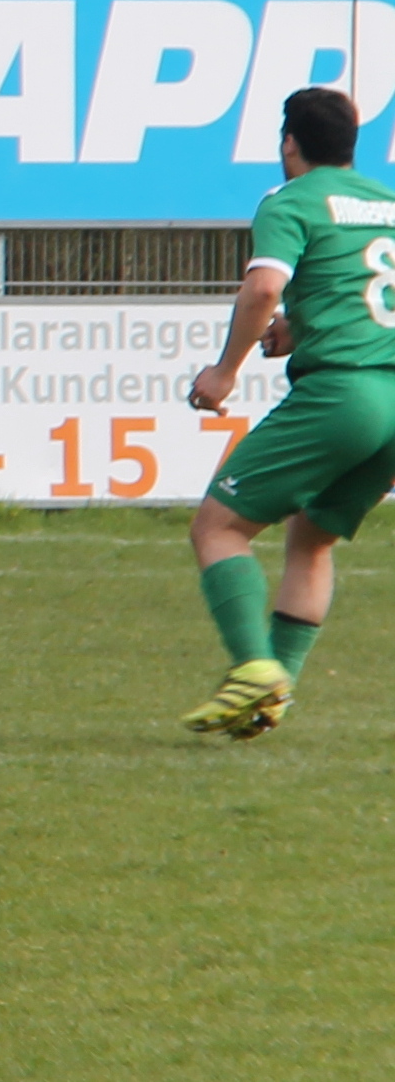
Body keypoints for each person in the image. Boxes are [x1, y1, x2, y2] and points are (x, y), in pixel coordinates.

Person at [175, 86, 394, 740]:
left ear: (289, 142)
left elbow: (264, 285)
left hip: (343, 393)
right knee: (312, 537)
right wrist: (298, 329)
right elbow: (368, 291)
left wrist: (225, 369)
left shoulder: (289, 200)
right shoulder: (387, 203)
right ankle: (274, 691)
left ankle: (254, 668)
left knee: (218, 528)